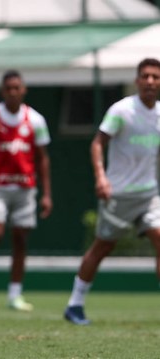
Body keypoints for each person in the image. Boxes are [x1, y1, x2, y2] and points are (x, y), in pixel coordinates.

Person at [64, 58, 160, 325]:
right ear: (138, 81)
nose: (151, 81)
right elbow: (97, 143)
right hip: (118, 194)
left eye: (156, 77)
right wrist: (101, 178)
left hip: (149, 195)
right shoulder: (122, 110)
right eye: (146, 76)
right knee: (103, 247)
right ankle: (75, 304)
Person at [0, 69, 52, 311]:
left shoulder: (35, 120)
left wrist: (47, 194)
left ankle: (15, 293)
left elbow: (43, 158)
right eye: (9, 88)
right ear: (3, 91)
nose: (13, 92)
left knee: (21, 240)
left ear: (23, 90)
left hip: (25, 188)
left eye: (17, 87)